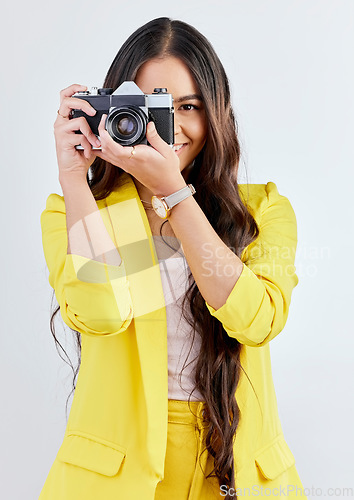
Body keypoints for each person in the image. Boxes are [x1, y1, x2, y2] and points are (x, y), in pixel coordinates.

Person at [39, 17, 307, 500]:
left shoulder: (263, 209)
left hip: (233, 466)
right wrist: (74, 177)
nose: (172, 125)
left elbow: (258, 320)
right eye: (145, 107)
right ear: (112, 111)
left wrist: (174, 194)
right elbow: (100, 313)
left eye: (187, 106)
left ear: (217, 114)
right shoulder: (75, 211)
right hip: (116, 477)